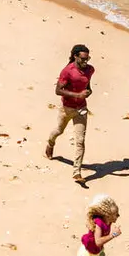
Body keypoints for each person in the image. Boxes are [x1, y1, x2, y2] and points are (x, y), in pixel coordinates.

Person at [43, 43, 95, 182]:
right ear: (75, 56)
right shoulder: (67, 71)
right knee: (59, 130)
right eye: (83, 59)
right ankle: (50, 143)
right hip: (67, 108)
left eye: (87, 58)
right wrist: (77, 95)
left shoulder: (90, 70)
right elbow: (58, 90)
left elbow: (87, 85)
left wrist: (88, 92)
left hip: (81, 109)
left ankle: (76, 172)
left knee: (80, 141)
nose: (85, 61)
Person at [56, 193, 121, 256]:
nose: (118, 216)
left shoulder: (109, 221)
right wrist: (113, 234)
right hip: (87, 253)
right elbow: (98, 242)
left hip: (98, 253)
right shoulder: (99, 223)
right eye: (116, 214)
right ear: (107, 215)